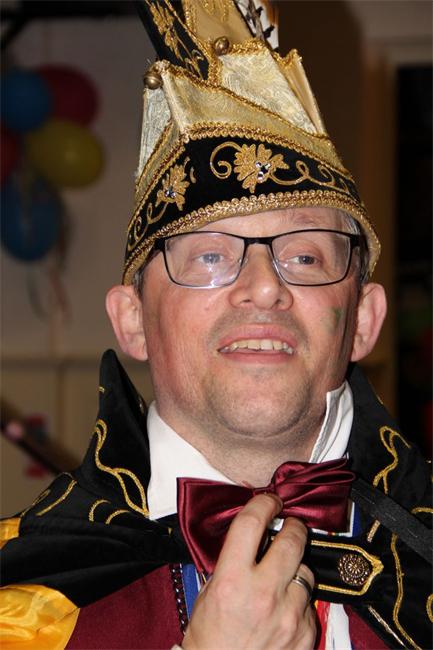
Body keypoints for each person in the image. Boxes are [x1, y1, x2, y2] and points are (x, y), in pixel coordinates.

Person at [1, 1, 431, 648]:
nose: (263, 287)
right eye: (209, 256)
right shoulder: (18, 603)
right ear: (131, 321)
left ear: (364, 320)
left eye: (304, 257)